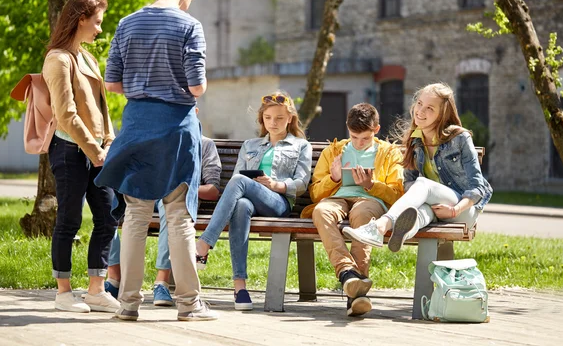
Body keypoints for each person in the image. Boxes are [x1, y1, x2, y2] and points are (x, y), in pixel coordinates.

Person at [94, 0, 217, 321]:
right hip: (175, 127)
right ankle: (189, 305)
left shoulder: (127, 22)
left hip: (136, 125)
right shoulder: (189, 25)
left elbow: (113, 83)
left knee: (134, 213)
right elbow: (197, 86)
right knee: (177, 216)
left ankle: (128, 304)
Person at [195, 91, 312, 311]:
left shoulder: (300, 146)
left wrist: (275, 185)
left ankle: (204, 243)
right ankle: (240, 288)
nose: (273, 123)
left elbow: (302, 182)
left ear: (289, 118)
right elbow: (237, 182)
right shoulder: (250, 145)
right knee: (240, 205)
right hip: (250, 201)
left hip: (278, 203)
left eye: (279, 118)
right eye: (268, 118)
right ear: (262, 119)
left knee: (239, 180)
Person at [343, 83, 493, 254]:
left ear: (442, 114)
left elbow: (477, 187)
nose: (420, 111)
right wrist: (423, 198)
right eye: (419, 103)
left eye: (430, 108)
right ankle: (404, 232)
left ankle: (379, 227)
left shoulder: (459, 138)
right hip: (434, 206)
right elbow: (408, 182)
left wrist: (454, 209)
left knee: (423, 183)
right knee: (419, 213)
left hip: (463, 210)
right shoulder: (416, 139)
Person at [42, 0, 120, 313]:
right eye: (97, 22)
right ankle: (63, 293)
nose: (100, 29)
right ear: (80, 20)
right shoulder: (58, 59)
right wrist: (93, 149)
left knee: (107, 217)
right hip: (69, 150)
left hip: (97, 152)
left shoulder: (87, 57)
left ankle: (96, 290)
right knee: (69, 220)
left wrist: (109, 141)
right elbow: (66, 114)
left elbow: (100, 106)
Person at [301, 103, 404, 317]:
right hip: (337, 197)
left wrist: (371, 185)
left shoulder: (389, 153)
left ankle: (353, 291)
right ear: (348, 129)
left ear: (376, 130)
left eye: (365, 138)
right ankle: (348, 276)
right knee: (321, 211)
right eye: (354, 137)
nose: (358, 143)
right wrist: (334, 178)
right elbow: (315, 194)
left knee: (362, 214)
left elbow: (397, 194)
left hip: (370, 199)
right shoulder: (335, 151)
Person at [104, 134, 222, 307]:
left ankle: (161, 283)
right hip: (145, 195)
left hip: (175, 200)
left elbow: (213, 190)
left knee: (170, 205)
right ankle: (114, 278)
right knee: (106, 206)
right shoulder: (155, 139)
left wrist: (182, 188)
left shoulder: (204, 144)